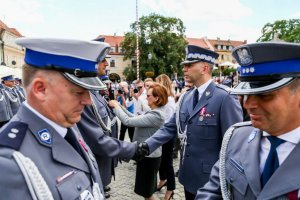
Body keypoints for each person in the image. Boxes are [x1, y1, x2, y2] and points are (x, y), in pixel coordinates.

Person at [0, 37, 112, 199]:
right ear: (41, 89)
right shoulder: (9, 163)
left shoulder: (67, 124)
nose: (88, 101)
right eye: (78, 92)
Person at [196, 42, 300, 200]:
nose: (247, 104)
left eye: (265, 95)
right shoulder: (237, 137)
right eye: (245, 94)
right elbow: (213, 191)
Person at [137, 45, 243, 199]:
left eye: (189, 65)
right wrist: (146, 146)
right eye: (184, 65)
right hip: (188, 177)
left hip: (212, 182)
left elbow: (235, 145)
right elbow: (170, 127)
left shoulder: (224, 97)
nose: (184, 69)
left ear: (205, 68)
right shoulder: (186, 98)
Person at [76, 37, 136, 199]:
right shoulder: (85, 95)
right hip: (94, 164)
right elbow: (96, 139)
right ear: (92, 63)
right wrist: (132, 150)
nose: (107, 64)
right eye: (103, 60)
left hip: (102, 162)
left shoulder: (94, 93)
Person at [109, 82, 168, 200]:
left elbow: (128, 122)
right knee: (146, 192)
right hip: (147, 156)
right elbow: (133, 117)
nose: (146, 97)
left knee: (147, 193)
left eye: (149, 95)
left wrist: (116, 107)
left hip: (149, 157)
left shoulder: (157, 114)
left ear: (157, 98)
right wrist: (120, 107)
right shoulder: (155, 111)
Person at [155, 74, 177, 200]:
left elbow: (166, 121)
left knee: (167, 162)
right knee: (162, 160)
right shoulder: (167, 98)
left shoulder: (168, 100)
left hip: (167, 135)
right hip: (163, 133)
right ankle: (163, 180)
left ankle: (171, 189)